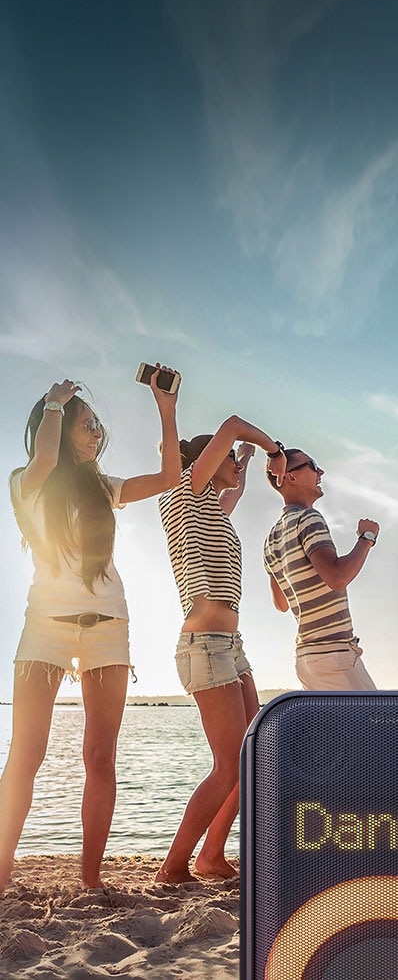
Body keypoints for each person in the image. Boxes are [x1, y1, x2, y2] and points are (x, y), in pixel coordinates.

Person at [0, 368, 180, 895]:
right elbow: (47, 458)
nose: (96, 431)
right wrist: (56, 401)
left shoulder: (105, 487)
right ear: (54, 426)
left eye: (96, 423)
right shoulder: (26, 483)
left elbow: (170, 478)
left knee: (100, 757)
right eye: (86, 424)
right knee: (26, 754)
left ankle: (91, 879)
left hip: (108, 629)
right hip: (45, 630)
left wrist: (165, 410)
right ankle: (2, 868)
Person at [155, 418, 287, 883]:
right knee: (228, 762)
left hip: (232, 645)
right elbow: (231, 424)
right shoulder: (182, 495)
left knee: (255, 754)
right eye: (226, 458)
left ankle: (211, 855)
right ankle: (173, 866)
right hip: (204, 646)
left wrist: (247, 464)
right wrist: (273, 447)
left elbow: (232, 492)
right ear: (203, 464)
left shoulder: (209, 508)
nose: (232, 462)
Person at [264, 447, 378, 690]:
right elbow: (338, 578)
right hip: (334, 654)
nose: (321, 471)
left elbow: (282, 604)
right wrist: (367, 538)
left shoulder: (271, 537)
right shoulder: (308, 519)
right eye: (313, 465)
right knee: (377, 726)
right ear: (290, 477)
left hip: (306, 660)